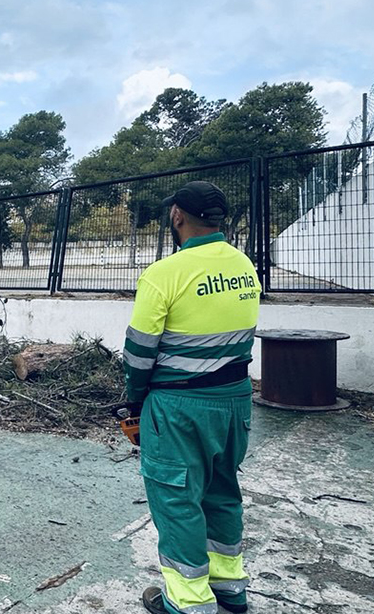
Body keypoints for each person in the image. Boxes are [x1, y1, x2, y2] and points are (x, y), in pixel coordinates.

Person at [122, 181, 261, 614]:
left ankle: (188, 602)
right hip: (235, 400)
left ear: (178, 216)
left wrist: (136, 400)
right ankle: (229, 589)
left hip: (179, 406)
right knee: (221, 492)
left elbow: (140, 351)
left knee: (177, 500)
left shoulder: (165, 274)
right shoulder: (244, 266)